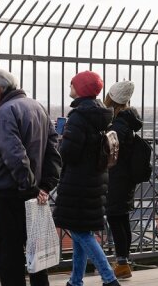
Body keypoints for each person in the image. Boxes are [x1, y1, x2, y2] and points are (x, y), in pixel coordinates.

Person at [0, 69, 63, 286]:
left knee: (9, 256)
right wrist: (45, 186)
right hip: (36, 192)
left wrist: (30, 187)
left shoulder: (4, 113)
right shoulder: (37, 107)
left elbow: (14, 155)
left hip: (12, 193)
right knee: (38, 256)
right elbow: (53, 150)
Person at [52, 70, 120, 286]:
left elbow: (69, 153)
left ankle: (109, 279)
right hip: (95, 179)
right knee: (81, 230)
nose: (70, 88)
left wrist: (62, 139)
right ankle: (75, 280)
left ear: (80, 89)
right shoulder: (102, 114)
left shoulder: (79, 116)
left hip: (78, 181)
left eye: (73, 84)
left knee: (81, 233)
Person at [104, 80, 143, 279]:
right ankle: (124, 260)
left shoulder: (118, 125)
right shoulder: (129, 120)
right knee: (122, 218)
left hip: (117, 176)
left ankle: (122, 263)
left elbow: (110, 153)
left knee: (115, 217)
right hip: (126, 177)